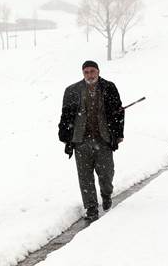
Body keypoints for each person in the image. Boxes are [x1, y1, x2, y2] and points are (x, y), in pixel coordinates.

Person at [58, 60, 124, 221]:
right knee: (85, 177)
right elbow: (66, 115)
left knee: (106, 174)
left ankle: (106, 194)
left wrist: (118, 134)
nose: (90, 75)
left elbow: (119, 112)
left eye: (92, 71)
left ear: (98, 72)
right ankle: (91, 208)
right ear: (83, 73)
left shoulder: (109, 88)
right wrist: (65, 137)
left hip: (103, 139)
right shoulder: (72, 91)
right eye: (86, 72)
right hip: (81, 141)